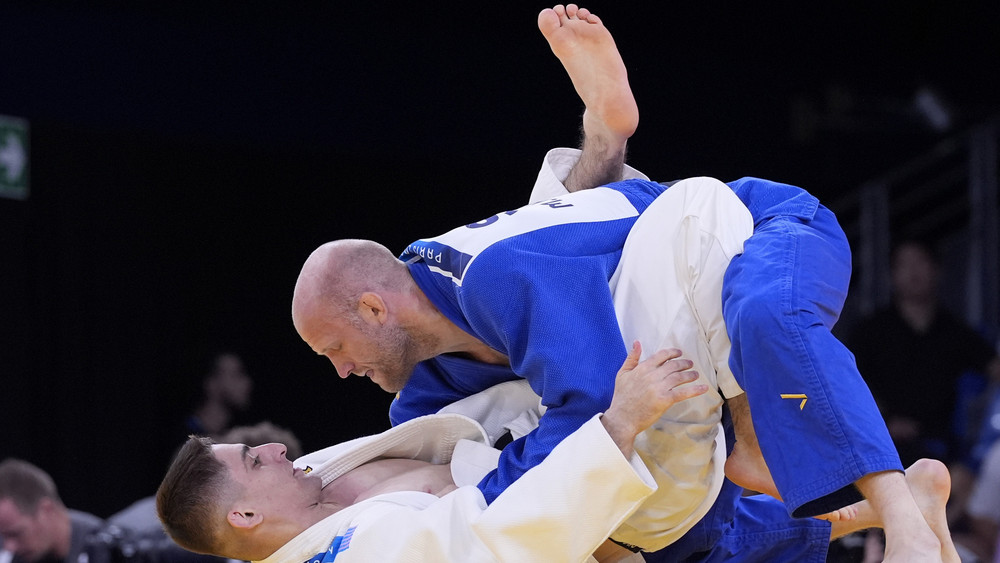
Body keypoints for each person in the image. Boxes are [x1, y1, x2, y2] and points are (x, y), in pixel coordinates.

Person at [291, 4, 958, 561]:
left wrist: (517, 500)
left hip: (767, 229)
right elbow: (487, 490)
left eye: (334, 349)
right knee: (642, 519)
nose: (342, 371)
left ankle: (901, 519)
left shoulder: (493, 275)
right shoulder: (430, 384)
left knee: (755, 321)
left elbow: (593, 413)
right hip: (671, 285)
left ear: (374, 306)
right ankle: (867, 501)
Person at [155, 346, 708, 562]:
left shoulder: (315, 480)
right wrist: (619, 425)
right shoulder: (359, 555)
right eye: (255, 460)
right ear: (244, 516)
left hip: (586, 470)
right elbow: (501, 540)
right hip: (650, 534)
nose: (276, 448)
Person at [849, 239, 1000, 467]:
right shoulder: (870, 331)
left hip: (942, 447)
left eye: (920, 262)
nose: (913, 272)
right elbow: (846, 384)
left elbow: (992, 366)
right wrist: (885, 421)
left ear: (937, 270)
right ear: (892, 274)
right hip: (881, 443)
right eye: (904, 264)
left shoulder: (955, 331)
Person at [0, 459, 104, 563]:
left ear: (46, 510)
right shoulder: (11, 552)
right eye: (3, 535)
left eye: (16, 534)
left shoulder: (103, 549)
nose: (9, 547)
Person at [183, 352, 254, 441]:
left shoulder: (233, 432)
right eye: (236, 375)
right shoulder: (184, 438)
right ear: (211, 383)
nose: (248, 383)